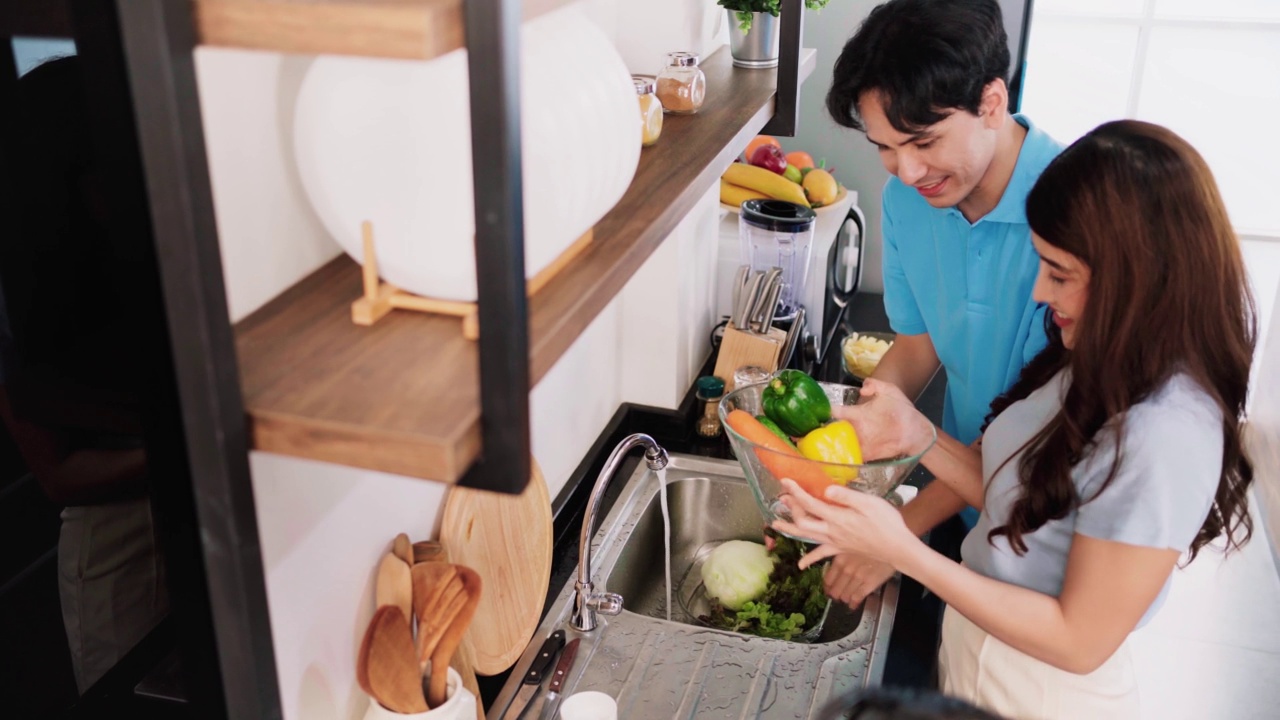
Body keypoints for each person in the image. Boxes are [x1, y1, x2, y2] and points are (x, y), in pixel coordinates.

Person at [774, 120, 1256, 718]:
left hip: (1045, 694)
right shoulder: (1100, 358)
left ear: (1137, 277)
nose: (1037, 292)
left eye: (1059, 273)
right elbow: (1024, 499)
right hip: (979, 655)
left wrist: (904, 550)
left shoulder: (1169, 431)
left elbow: (1079, 641)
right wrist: (916, 434)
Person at [822, 0, 1065, 609]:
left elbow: (1043, 436)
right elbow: (916, 347)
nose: (906, 170)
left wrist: (893, 535)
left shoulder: (1074, 215)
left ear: (991, 101)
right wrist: (838, 473)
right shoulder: (908, 201)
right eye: (885, 146)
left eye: (923, 141)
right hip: (961, 496)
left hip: (1044, 522)